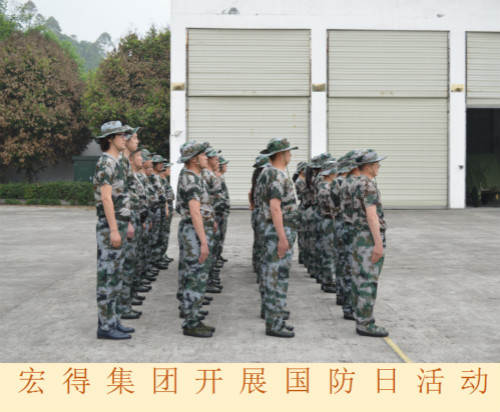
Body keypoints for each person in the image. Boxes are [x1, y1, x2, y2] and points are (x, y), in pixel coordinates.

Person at [93, 120, 134, 340]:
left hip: (120, 222)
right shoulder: (105, 163)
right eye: (121, 135)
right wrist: (114, 229)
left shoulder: (118, 161)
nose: (125, 138)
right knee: (107, 276)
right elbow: (106, 198)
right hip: (110, 225)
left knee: (116, 276)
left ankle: (114, 320)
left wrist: (126, 223)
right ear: (110, 139)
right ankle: (105, 327)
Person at [258, 138, 299, 338]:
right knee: (276, 277)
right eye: (288, 152)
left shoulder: (270, 172)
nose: (290, 155)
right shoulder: (274, 174)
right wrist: (282, 238)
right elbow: (275, 208)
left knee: (278, 275)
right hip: (278, 232)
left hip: (279, 230)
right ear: (281, 154)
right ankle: (274, 323)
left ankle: (276, 318)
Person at [176, 140, 216, 338]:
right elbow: (194, 212)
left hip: (193, 230)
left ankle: (192, 314)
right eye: (203, 155)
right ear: (194, 159)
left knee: (194, 275)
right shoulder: (190, 179)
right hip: (194, 232)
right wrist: (204, 242)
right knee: (195, 277)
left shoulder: (193, 176)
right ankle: (191, 323)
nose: (206, 158)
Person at [351, 149, 389, 337]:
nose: (378, 166)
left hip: (359, 235)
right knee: (368, 281)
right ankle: (365, 323)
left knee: (360, 278)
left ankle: (360, 317)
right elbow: (372, 216)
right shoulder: (368, 185)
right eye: (376, 163)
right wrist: (378, 244)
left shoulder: (355, 183)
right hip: (368, 237)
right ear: (368, 166)